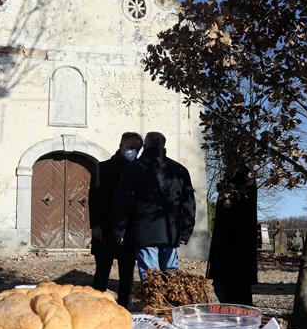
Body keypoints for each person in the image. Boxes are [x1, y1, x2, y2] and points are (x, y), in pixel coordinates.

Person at [112, 131, 196, 280]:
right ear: (163, 146)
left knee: (152, 280)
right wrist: (186, 231)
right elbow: (188, 202)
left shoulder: (134, 168)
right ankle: (170, 303)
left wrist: (120, 231)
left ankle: (155, 303)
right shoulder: (180, 170)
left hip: (145, 232)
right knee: (171, 278)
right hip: (171, 232)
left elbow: (123, 201)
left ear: (145, 146)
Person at [88, 132, 142, 308]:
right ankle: (97, 306)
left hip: (128, 231)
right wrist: (95, 225)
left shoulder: (139, 170)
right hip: (104, 227)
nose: (133, 151)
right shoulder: (102, 168)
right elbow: (93, 198)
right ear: (121, 145)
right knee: (102, 272)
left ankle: (124, 308)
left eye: (137, 148)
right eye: (130, 147)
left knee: (127, 276)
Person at [205, 165, 258, 305]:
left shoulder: (244, 183)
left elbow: (241, 204)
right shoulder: (233, 182)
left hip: (236, 244)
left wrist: (228, 191)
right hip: (228, 244)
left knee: (236, 286)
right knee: (225, 284)